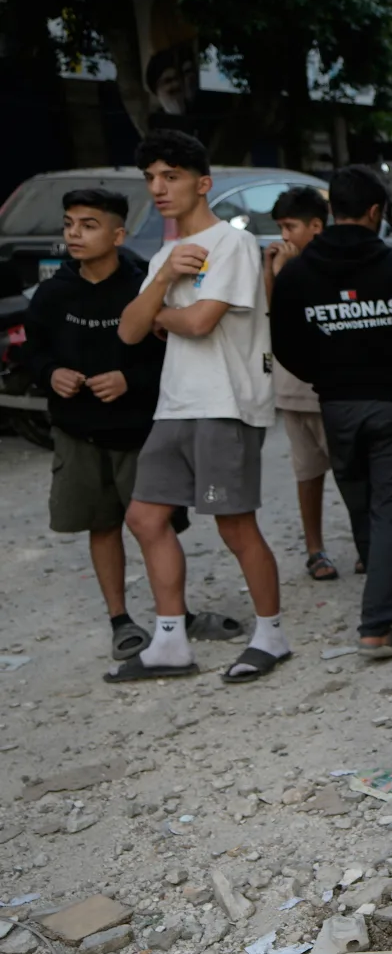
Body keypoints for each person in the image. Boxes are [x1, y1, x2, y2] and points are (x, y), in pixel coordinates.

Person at [111, 130, 285, 684]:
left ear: (202, 183)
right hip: (175, 404)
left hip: (226, 402)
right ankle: (170, 642)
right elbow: (128, 331)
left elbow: (199, 321)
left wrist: (158, 314)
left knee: (234, 525)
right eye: (151, 178)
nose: (158, 188)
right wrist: (164, 278)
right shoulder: (165, 255)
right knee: (144, 517)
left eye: (171, 176)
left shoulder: (232, 243)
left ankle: (270, 635)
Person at [270, 165, 392, 662]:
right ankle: (377, 625)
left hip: (337, 407)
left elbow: (284, 343)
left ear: (332, 211)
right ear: (375, 212)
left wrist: (327, 378)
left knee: (362, 500)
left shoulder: (298, 274)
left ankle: (386, 590)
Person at [21, 187, 167, 662]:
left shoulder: (144, 286)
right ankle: (120, 620)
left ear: (118, 235)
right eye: (69, 224)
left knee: (154, 528)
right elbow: (32, 352)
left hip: (139, 433)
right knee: (101, 527)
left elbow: (173, 357)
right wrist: (50, 373)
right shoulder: (53, 293)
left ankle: (175, 617)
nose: (74, 234)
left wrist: (130, 380)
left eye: (88, 225)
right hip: (78, 433)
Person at [263, 186, 342, 583]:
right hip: (292, 388)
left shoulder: (330, 262)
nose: (284, 236)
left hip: (333, 389)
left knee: (351, 473)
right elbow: (271, 314)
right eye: (280, 227)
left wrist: (288, 273)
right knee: (307, 472)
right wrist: (274, 271)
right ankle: (315, 549)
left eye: (290, 226)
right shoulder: (281, 263)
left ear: (316, 226)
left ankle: (368, 545)